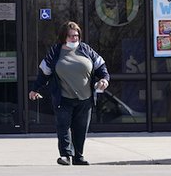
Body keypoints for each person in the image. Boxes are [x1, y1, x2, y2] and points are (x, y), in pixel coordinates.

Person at [29, 21, 110, 166]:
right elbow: (44, 72)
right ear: (63, 37)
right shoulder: (55, 52)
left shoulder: (86, 50)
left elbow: (101, 67)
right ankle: (66, 155)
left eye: (77, 36)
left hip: (85, 98)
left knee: (81, 128)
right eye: (71, 36)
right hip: (63, 98)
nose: (74, 39)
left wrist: (104, 79)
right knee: (63, 126)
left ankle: (78, 156)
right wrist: (35, 89)